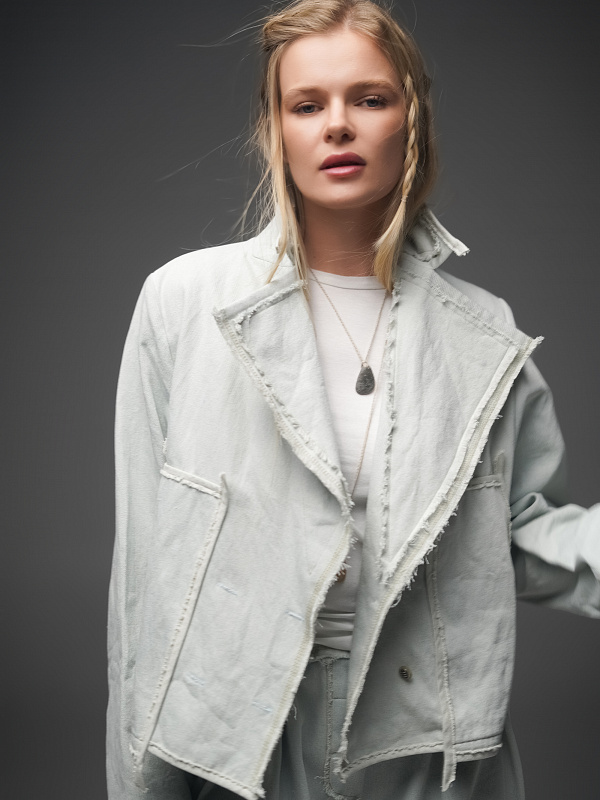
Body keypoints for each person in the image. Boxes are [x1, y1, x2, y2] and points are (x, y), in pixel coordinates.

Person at [107, 1, 600, 798]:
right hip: (243, 737)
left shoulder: (482, 331)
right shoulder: (185, 303)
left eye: (369, 98)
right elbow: (145, 578)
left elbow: (514, 535)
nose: (337, 124)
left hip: (421, 739)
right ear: (276, 131)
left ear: (412, 120)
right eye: (307, 105)